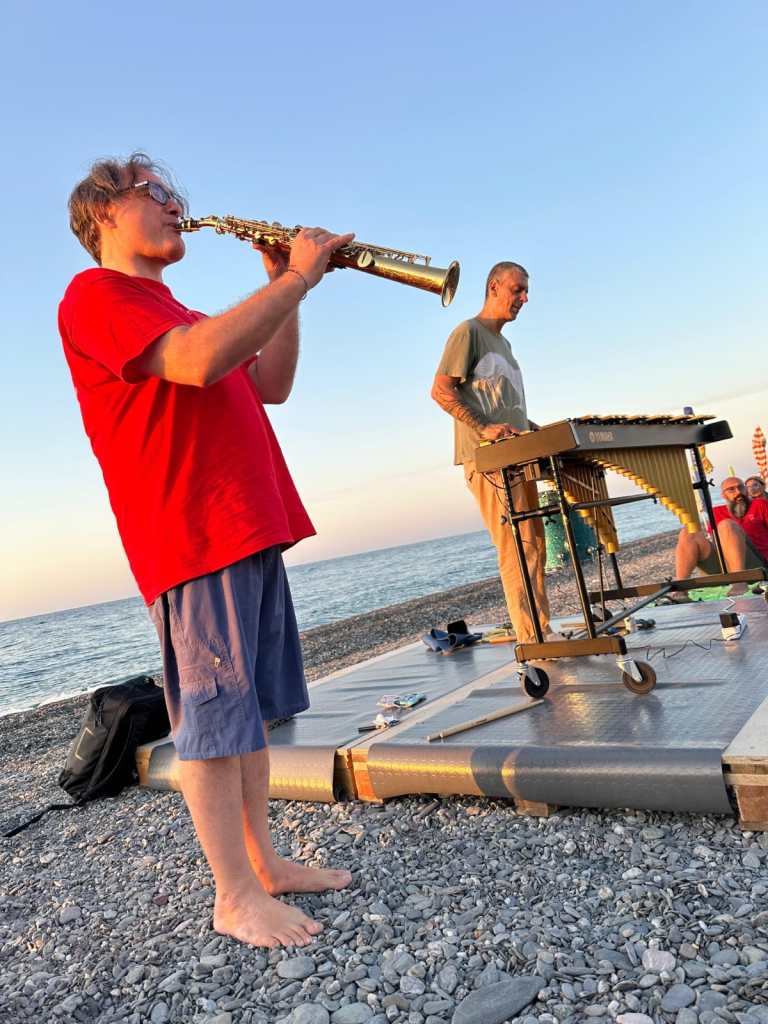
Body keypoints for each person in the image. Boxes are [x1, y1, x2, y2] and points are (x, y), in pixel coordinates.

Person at [58, 153, 354, 948]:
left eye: (173, 195)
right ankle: (232, 896)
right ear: (104, 214)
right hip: (193, 533)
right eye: (155, 194)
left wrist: (285, 293)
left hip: (247, 523)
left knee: (250, 715)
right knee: (216, 721)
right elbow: (194, 362)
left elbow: (272, 385)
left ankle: (264, 865)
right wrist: (290, 279)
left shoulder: (175, 304)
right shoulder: (98, 295)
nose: (175, 206)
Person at [431, 261, 551, 642]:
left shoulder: (505, 343)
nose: (524, 298)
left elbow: (503, 405)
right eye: (517, 290)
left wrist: (533, 428)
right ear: (494, 286)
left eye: (525, 291)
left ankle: (541, 632)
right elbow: (440, 390)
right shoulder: (468, 333)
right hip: (489, 461)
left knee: (534, 546)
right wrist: (483, 427)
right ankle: (532, 641)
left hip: (519, 456)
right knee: (517, 549)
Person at [674, 476, 768, 596]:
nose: (738, 492)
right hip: (723, 566)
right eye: (731, 490)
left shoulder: (760, 505)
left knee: (726, 525)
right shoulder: (716, 512)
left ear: (746, 490)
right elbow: (714, 542)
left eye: (740, 488)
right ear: (724, 495)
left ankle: (739, 581)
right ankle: (680, 589)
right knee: (689, 532)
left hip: (756, 565)